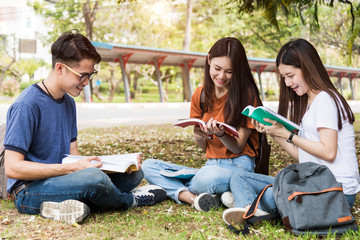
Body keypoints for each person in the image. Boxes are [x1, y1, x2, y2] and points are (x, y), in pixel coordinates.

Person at [4, 31, 166, 224]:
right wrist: (74, 170)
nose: (86, 82)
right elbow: (12, 168)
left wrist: (111, 164)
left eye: (90, 75)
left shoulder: (68, 102)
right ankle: (130, 200)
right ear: (60, 68)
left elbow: (73, 154)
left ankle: (67, 205)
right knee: (94, 180)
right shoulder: (27, 105)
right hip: (28, 191)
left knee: (134, 174)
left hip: (61, 180)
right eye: (83, 76)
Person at [222, 38, 360, 226]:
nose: (287, 83)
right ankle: (253, 207)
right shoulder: (311, 103)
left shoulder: (326, 100)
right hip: (314, 184)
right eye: (284, 78)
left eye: (290, 75)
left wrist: (289, 135)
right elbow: (303, 157)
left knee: (267, 194)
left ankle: (249, 209)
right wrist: (274, 132)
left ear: (307, 67)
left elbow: (328, 152)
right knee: (239, 177)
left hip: (335, 193)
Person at [141, 37, 262, 212]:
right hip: (211, 165)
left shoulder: (247, 95)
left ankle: (189, 188)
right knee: (148, 166)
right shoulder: (201, 94)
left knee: (208, 178)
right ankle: (196, 198)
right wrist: (199, 136)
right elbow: (204, 148)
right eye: (217, 68)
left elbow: (238, 147)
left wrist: (221, 134)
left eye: (229, 71)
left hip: (239, 167)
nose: (221, 76)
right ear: (208, 60)